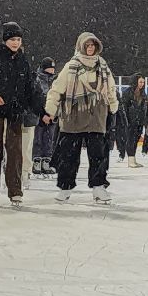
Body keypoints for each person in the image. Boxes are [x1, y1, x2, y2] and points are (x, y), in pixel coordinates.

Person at [45, 32, 119, 202]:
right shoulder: (72, 66)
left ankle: (98, 187)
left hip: (96, 115)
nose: (90, 48)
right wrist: (50, 110)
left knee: (98, 155)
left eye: (93, 45)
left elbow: (110, 88)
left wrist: (113, 105)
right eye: (87, 45)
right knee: (69, 156)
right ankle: (65, 187)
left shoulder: (103, 66)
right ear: (81, 46)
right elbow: (57, 88)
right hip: (73, 116)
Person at [0, 22, 43, 206]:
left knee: (15, 153)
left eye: (18, 39)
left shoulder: (23, 60)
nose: (16, 42)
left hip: (14, 112)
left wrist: (41, 110)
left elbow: (30, 88)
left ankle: (15, 191)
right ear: (5, 39)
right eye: (12, 39)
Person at [31, 59, 60, 177]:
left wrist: (53, 113)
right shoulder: (37, 79)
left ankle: (47, 160)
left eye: (53, 68)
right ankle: (37, 160)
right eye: (49, 68)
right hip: (40, 114)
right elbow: (36, 98)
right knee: (38, 137)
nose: (52, 70)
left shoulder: (56, 80)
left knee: (49, 138)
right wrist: (42, 113)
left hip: (52, 114)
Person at [116, 76, 148, 167]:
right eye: (140, 82)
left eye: (143, 82)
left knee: (136, 139)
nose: (142, 84)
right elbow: (123, 108)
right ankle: (130, 160)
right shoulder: (128, 92)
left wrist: (144, 120)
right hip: (130, 121)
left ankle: (133, 159)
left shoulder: (143, 93)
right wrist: (126, 121)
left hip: (139, 121)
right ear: (135, 82)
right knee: (130, 139)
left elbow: (144, 107)